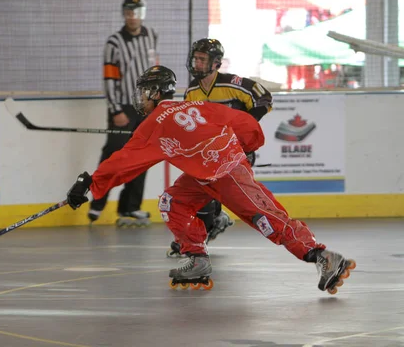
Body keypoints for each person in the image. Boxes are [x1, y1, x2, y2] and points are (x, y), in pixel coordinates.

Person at [66, 65, 355, 294]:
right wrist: (247, 146)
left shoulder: (151, 124)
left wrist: (90, 184)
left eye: (143, 93)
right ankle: (198, 259)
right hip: (206, 175)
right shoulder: (199, 106)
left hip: (228, 172)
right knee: (172, 201)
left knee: (266, 220)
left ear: (154, 93)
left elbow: (125, 160)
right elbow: (244, 123)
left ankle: (321, 256)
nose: (140, 99)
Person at [164, 38, 274, 257]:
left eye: (202, 60)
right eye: (195, 59)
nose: (197, 64)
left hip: (237, 154)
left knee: (213, 189)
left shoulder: (233, 84)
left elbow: (265, 98)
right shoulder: (192, 92)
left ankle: (209, 226)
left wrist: (245, 127)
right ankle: (212, 223)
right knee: (203, 190)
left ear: (216, 63)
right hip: (211, 154)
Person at [87, 0, 159, 227]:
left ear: (142, 13)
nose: (132, 17)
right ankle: (97, 202)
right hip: (123, 109)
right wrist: (115, 110)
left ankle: (131, 207)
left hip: (146, 107)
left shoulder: (151, 36)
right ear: (123, 14)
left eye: (136, 12)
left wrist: (156, 103)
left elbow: (155, 71)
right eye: (128, 12)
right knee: (112, 155)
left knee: (141, 157)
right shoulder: (114, 42)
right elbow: (109, 80)